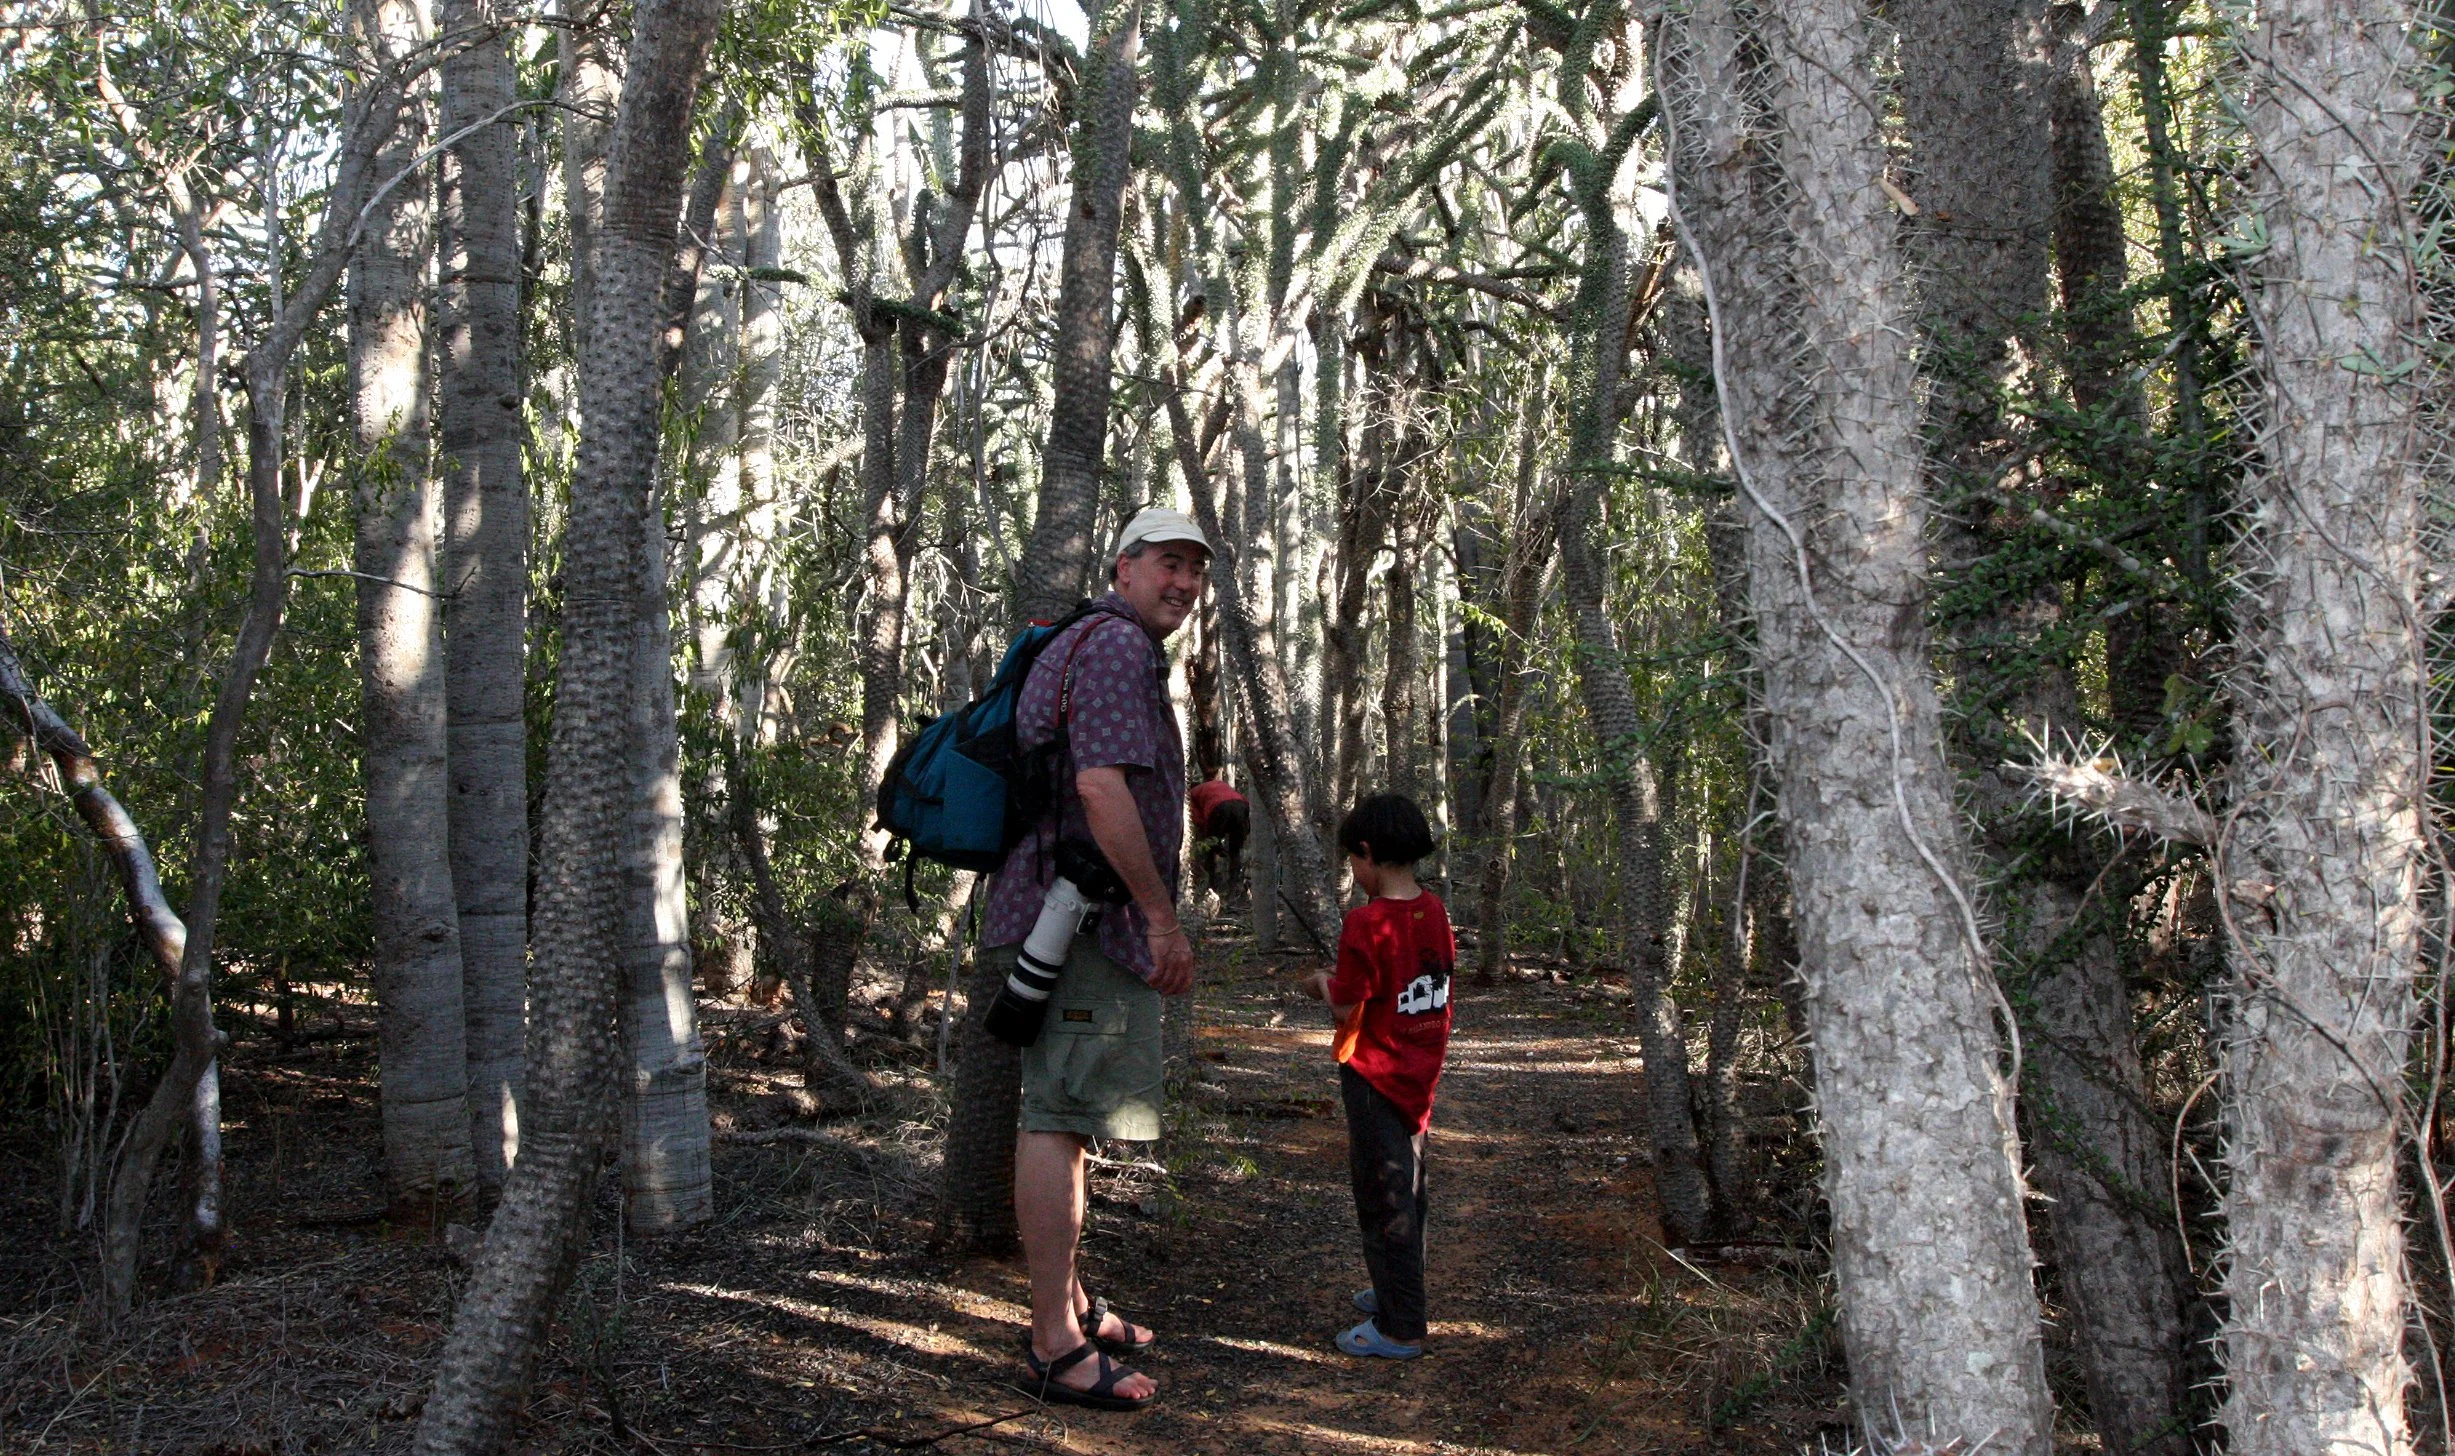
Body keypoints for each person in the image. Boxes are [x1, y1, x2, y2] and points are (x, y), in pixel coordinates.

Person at [980, 507, 1210, 1411]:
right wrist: (1159, 920)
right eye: (1166, 564)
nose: (1182, 583)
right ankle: (1052, 1344)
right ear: (1124, 567)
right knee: (1057, 1116)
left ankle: (1070, 1307)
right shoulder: (1114, 649)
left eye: (1194, 569)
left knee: (1065, 1112)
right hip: (1077, 923)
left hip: (1065, 917)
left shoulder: (1094, 641)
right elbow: (1098, 785)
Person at [1302, 792, 1454, 1360]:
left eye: (1353, 862)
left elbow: (1345, 1007)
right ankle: (1397, 1289)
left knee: (1381, 1194)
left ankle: (1400, 1327)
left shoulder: (1365, 923)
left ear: (1366, 852)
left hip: (1374, 1075)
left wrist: (1318, 983)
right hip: (1420, 1071)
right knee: (1409, 1187)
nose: (1354, 873)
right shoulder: (1434, 911)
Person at [1188, 773, 1249, 898]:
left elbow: (1198, 820)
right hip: (1240, 805)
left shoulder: (1192, 794)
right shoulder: (1219, 784)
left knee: (1209, 848)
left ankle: (1211, 887)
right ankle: (1234, 888)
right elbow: (1242, 800)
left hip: (1218, 807)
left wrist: (1210, 840)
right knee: (1235, 851)